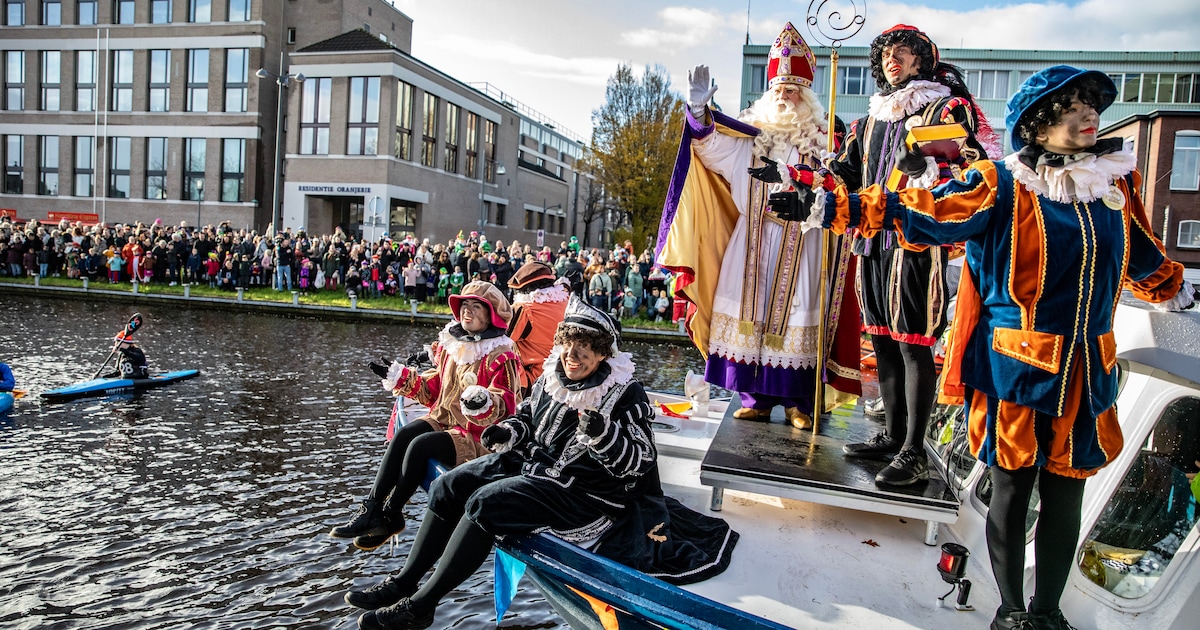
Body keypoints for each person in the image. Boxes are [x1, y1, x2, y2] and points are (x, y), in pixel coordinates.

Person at [810, 65, 1193, 630]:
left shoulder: (1113, 184)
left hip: (1088, 371)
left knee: (1068, 494)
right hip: (1016, 366)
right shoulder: (1002, 183)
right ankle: (1011, 612)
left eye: (1092, 106)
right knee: (1014, 488)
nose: (1090, 116)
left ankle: (1047, 612)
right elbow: (923, 210)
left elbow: (1141, 257)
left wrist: (1176, 288)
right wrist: (833, 205)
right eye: (1074, 107)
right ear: (1039, 124)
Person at [345, 296, 736, 629]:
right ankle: (404, 582)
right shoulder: (553, 375)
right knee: (449, 486)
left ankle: (420, 608)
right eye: (569, 344)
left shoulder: (625, 393)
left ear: (603, 353)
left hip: (583, 493)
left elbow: (638, 463)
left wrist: (603, 435)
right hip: (534, 466)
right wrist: (506, 432)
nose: (573, 356)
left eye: (585, 348)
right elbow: (528, 419)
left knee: (485, 504)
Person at [656, 22, 860, 430]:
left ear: (808, 95)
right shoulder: (749, 136)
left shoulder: (824, 138)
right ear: (769, 91)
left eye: (795, 89)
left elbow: (842, 182)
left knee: (801, 315)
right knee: (750, 319)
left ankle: (800, 403)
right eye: (781, 89)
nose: (787, 97)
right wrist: (697, 114)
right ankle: (756, 399)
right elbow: (710, 150)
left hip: (806, 244)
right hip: (753, 241)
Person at [826, 24, 998, 487]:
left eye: (902, 52)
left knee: (913, 342)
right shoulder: (868, 122)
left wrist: (929, 167)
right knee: (881, 339)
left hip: (916, 241)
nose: (892, 59)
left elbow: (971, 167)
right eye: (885, 54)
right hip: (869, 241)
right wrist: (809, 172)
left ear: (922, 60)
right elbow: (843, 175)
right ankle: (893, 436)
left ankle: (915, 451)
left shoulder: (945, 106)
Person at [329, 281, 522, 550]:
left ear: (491, 314)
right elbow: (435, 392)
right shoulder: (453, 345)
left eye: (476, 306)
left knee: (421, 446)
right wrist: (401, 377)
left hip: (477, 436)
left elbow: (507, 405)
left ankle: (392, 513)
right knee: (405, 434)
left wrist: (483, 401)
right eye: (464, 305)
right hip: (445, 419)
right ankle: (372, 507)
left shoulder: (501, 354)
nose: (467, 311)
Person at [505, 261, 569, 395]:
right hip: (565, 375)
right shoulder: (566, 300)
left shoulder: (524, 310)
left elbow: (500, 339)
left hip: (535, 381)